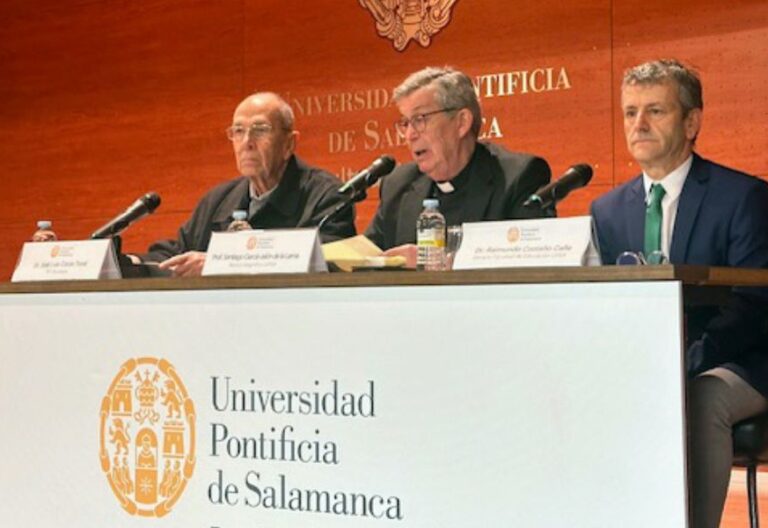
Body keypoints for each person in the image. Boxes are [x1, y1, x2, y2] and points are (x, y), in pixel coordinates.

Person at [590, 59, 768, 528]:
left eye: (655, 111)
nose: (639, 125)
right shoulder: (606, 210)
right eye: (630, 113)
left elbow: (755, 303)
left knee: (702, 396)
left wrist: (689, 356)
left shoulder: (742, 196)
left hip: (738, 360)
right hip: (650, 359)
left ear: (692, 122)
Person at [140, 92, 355, 277]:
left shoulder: (326, 196)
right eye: (238, 131)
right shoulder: (219, 200)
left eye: (260, 129)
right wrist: (133, 262)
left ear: (289, 143)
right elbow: (180, 251)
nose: (247, 143)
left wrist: (217, 264)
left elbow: (329, 264)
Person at [364, 67, 551, 265]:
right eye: (405, 123)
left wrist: (433, 263)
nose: (410, 135)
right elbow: (367, 259)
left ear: (462, 122)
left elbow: (527, 265)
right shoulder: (398, 185)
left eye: (420, 120)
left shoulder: (518, 177)